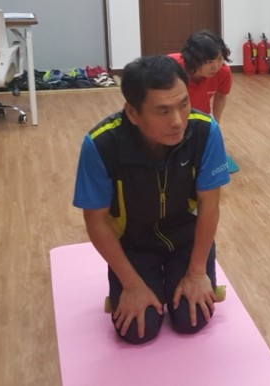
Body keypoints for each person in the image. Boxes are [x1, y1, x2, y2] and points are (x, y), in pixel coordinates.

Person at [73, 55, 231, 343]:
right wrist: (131, 285)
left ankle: (179, 278)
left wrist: (197, 273)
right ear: (133, 113)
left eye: (183, 104)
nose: (178, 121)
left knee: (191, 319)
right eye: (162, 111)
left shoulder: (205, 131)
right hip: (134, 244)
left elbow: (210, 205)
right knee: (137, 330)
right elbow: (96, 221)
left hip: (185, 238)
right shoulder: (101, 145)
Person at [169, 30, 232, 123]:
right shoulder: (170, 66)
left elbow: (221, 96)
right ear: (193, 59)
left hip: (201, 115)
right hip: (171, 116)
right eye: (209, 62)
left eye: (220, 59)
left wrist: (216, 123)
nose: (216, 67)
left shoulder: (223, 71)